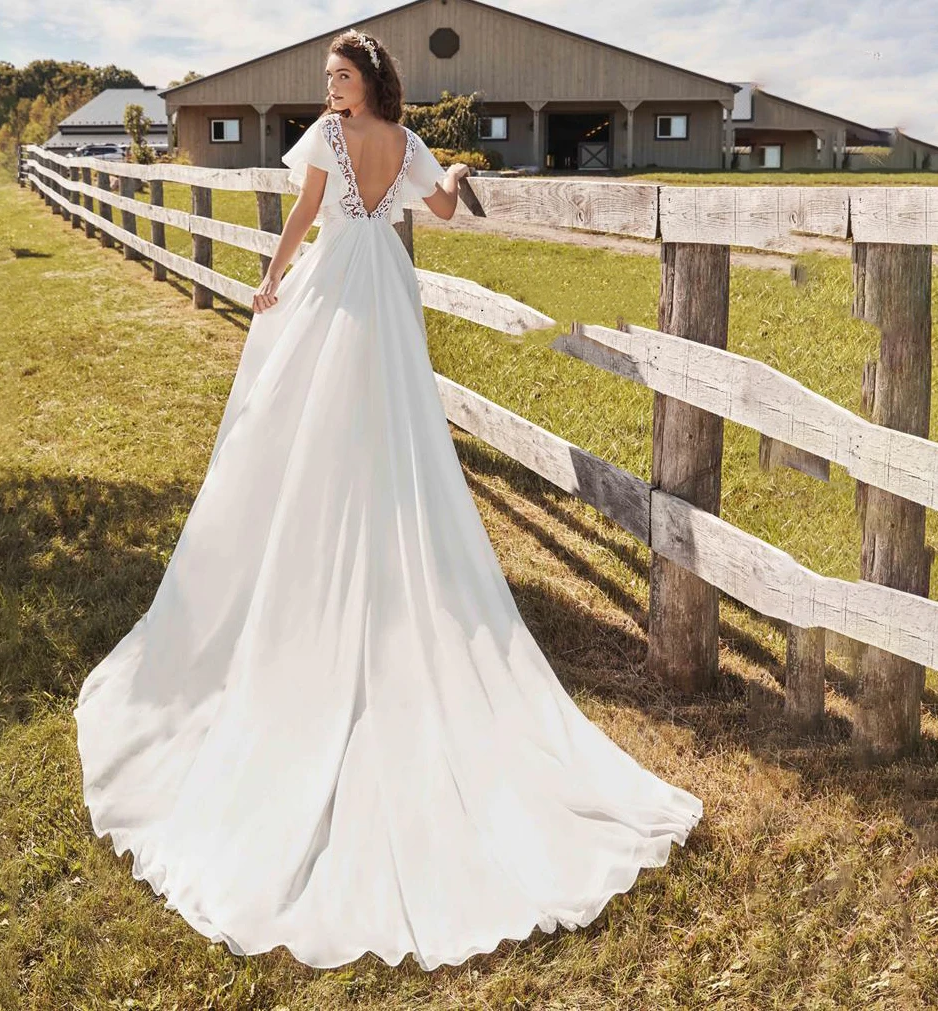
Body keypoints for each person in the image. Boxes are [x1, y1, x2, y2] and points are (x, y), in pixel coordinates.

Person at [73, 28, 703, 973]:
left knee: (313, 417)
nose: (331, 90)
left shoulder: (331, 146)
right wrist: (448, 167)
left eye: (341, 76)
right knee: (377, 421)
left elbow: (306, 216)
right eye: (328, 79)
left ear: (369, 81)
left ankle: (335, 546)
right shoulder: (405, 148)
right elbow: (443, 213)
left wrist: (273, 274)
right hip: (386, 289)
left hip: (339, 285)